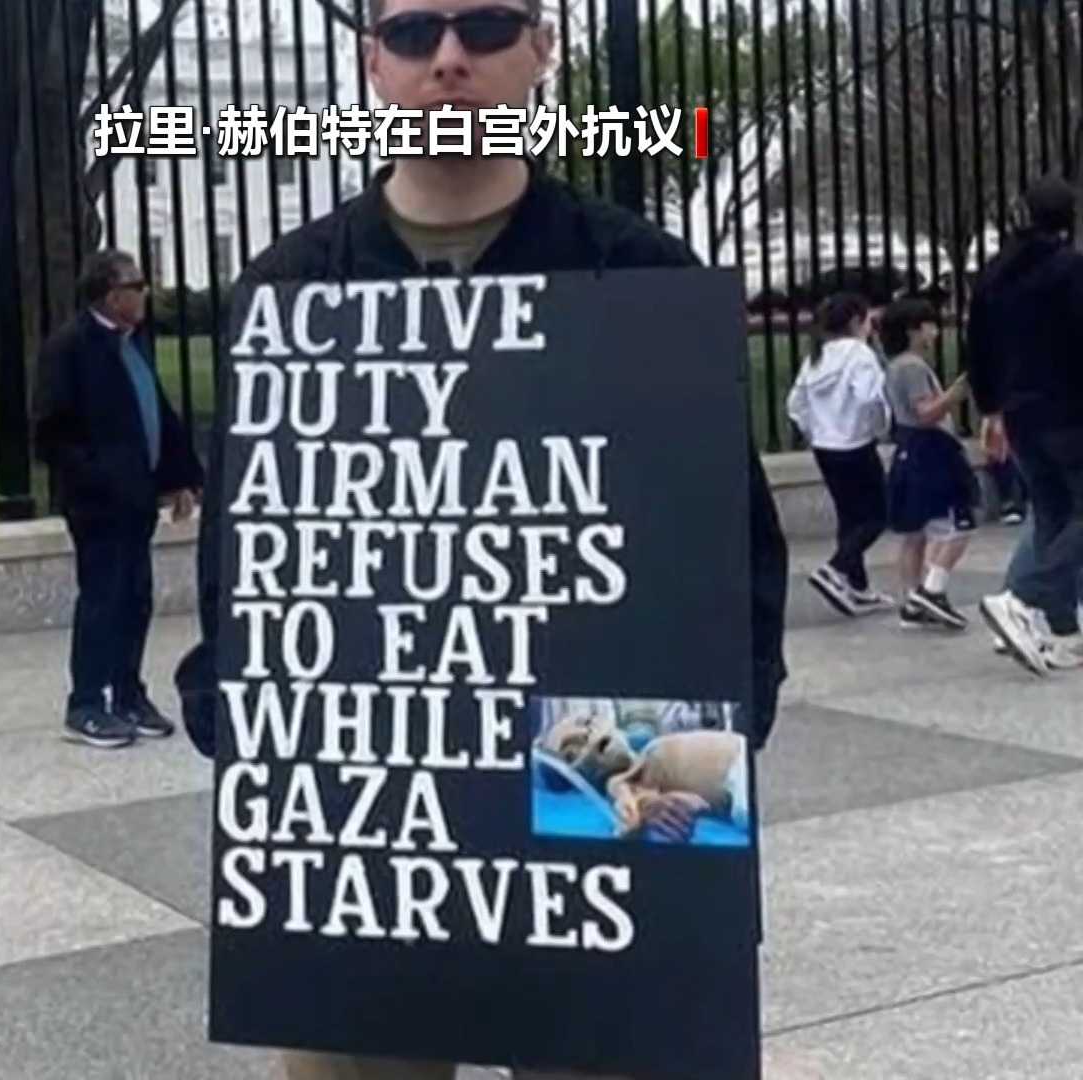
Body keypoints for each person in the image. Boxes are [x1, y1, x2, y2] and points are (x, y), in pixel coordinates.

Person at [171, 0, 791, 1075]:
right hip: (369, 816)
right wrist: (246, 718)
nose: (449, 60)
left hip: (590, 799)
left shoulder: (639, 271)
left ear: (542, 49)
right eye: (416, 35)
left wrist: (703, 746)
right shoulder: (293, 286)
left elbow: (727, 549)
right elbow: (248, 550)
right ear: (373, 62)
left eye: (487, 27)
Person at [33, 249, 204, 746]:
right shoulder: (70, 348)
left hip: (136, 498)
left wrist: (180, 477)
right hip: (99, 502)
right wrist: (99, 478)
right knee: (103, 599)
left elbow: (155, 411)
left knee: (135, 598)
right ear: (112, 296)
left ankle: (128, 693)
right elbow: (50, 432)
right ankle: (87, 703)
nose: (145, 295)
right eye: (137, 286)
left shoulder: (132, 343)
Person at [967, 176, 1083, 676]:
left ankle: (1065, 633)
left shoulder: (995, 275)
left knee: (1055, 516)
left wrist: (991, 409)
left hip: (1020, 413)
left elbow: (978, 348)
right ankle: (1022, 597)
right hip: (1070, 410)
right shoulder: (1071, 270)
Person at [785, 292, 895, 617]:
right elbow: (868, 398)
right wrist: (877, 427)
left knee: (849, 516)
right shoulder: (860, 354)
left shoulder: (817, 356)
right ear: (856, 321)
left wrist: (814, 430)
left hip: (825, 447)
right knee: (877, 515)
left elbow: (796, 403)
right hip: (856, 445)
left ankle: (856, 586)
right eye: (868, 321)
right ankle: (836, 567)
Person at [876, 297, 977, 631]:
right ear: (913, 330)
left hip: (910, 447)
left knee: (914, 532)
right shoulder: (912, 367)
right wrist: (957, 392)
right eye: (929, 325)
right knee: (958, 524)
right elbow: (926, 412)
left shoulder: (896, 365)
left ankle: (911, 600)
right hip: (931, 448)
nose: (936, 331)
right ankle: (933, 589)